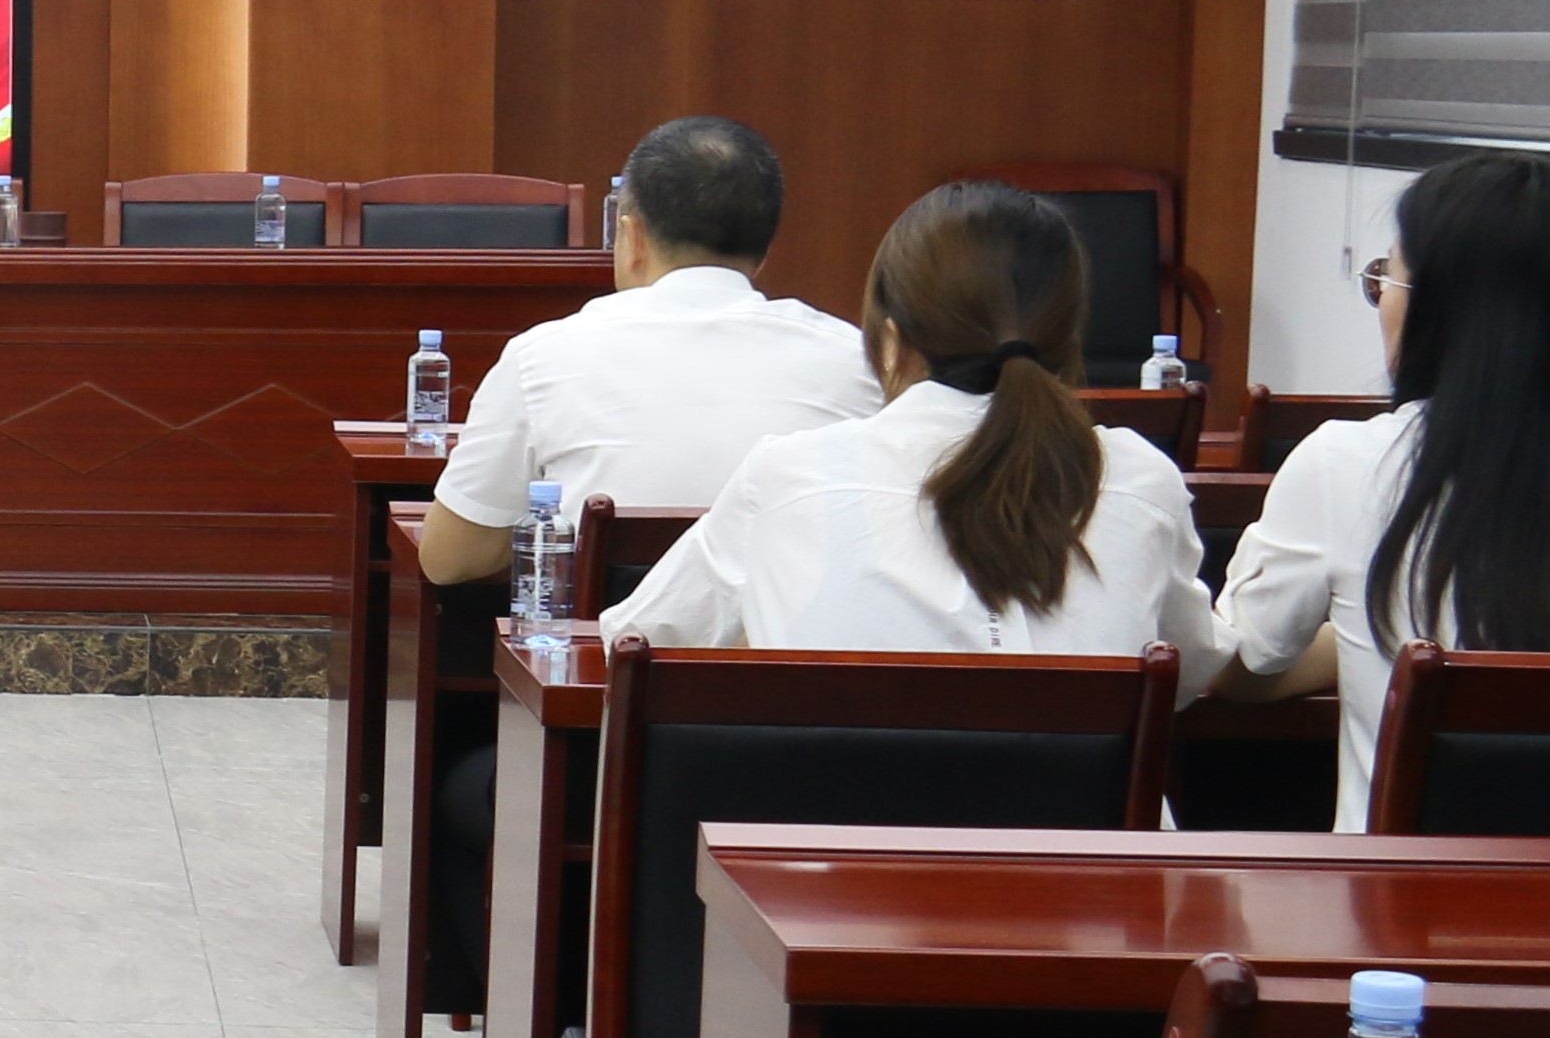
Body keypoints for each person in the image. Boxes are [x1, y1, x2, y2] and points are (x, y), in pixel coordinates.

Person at [600, 180, 1222, 674]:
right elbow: (1194, 667)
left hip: (835, 805)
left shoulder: (790, 476)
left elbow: (639, 642)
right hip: (1084, 808)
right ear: (1067, 337)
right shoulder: (1140, 479)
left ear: (892, 342)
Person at [1216, 151, 1550, 823]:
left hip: (1397, 885)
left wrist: (1365, 639)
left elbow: (1237, 663)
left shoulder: (1347, 464)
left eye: (1385, 279)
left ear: (1437, 307)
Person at [416, 116, 878, 587]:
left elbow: (449, 559)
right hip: (795, 633)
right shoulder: (857, 359)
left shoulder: (541, 357)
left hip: (613, 635)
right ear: (764, 253)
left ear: (632, 237)